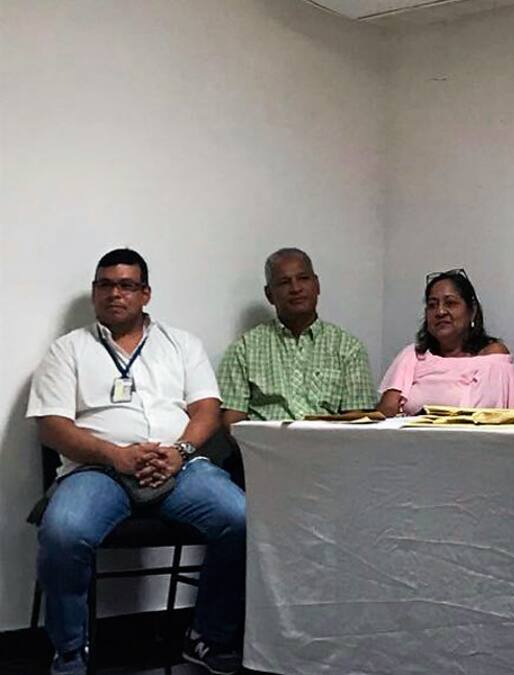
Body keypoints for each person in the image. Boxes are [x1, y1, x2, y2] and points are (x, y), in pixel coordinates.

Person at [27, 249, 246, 675]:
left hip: (178, 465)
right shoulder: (68, 350)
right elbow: (52, 427)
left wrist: (180, 452)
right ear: (94, 292)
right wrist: (117, 456)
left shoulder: (182, 344)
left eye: (126, 285)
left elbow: (206, 409)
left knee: (241, 518)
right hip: (97, 470)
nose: (115, 293)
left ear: (145, 293)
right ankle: (70, 654)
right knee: (63, 531)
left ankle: (207, 636)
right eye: (105, 285)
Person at [217, 248, 375, 429]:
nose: (296, 288)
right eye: (284, 282)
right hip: (265, 445)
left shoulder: (348, 348)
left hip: (327, 444)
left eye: (303, 279)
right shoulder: (244, 349)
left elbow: (356, 421)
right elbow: (233, 421)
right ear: (269, 295)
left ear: (317, 285)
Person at [377, 269, 514, 416]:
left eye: (450, 303)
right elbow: (385, 415)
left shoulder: (492, 356)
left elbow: (486, 417)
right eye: (432, 305)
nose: (440, 312)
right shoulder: (413, 355)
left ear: (472, 311)